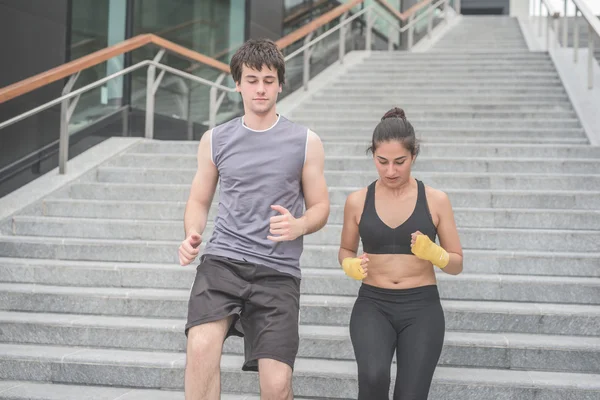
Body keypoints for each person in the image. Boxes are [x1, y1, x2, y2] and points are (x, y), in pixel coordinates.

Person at [178, 38, 330, 400]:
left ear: (280, 83)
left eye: (267, 79)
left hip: (278, 274)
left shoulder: (306, 141)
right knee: (200, 347)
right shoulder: (215, 139)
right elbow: (199, 200)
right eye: (251, 79)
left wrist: (299, 225)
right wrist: (192, 233)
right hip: (223, 264)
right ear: (237, 84)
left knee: (276, 386)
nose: (260, 88)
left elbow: (321, 207)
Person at [338, 107, 463, 400]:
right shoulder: (357, 201)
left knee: (411, 395)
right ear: (373, 156)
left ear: (414, 156)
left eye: (399, 162)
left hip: (422, 308)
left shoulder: (436, 201)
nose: (390, 171)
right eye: (382, 162)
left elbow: (457, 263)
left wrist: (437, 254)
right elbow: (345, 249)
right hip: (373, 304)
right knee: (372, 378)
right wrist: (349, 264)